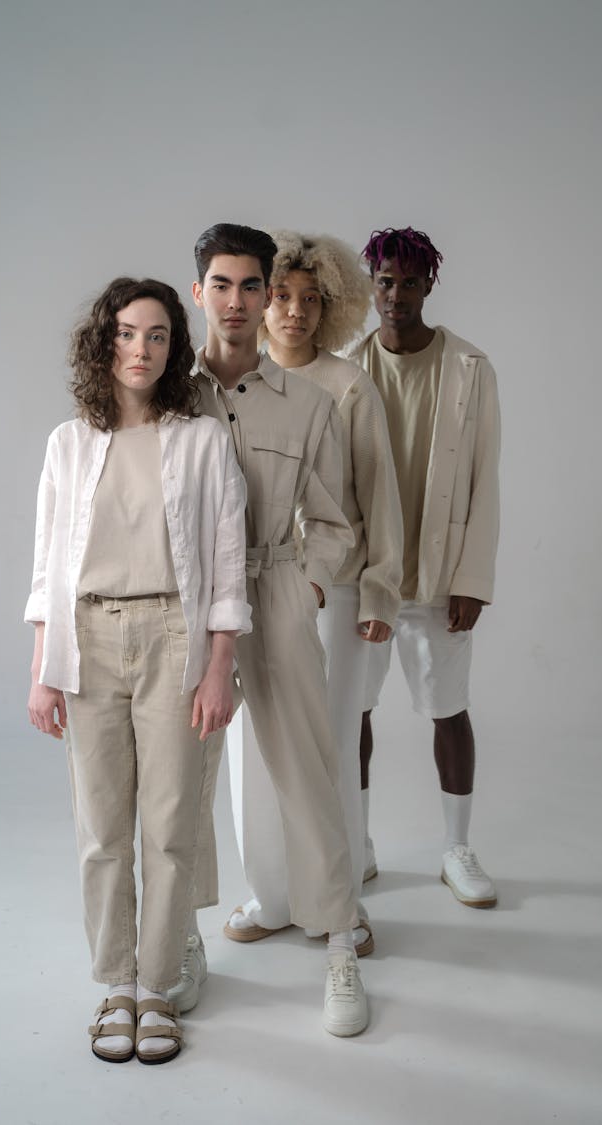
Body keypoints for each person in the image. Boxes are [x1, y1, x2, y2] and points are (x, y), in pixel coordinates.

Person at [25, 277, 252, 1064]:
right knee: (102, 830)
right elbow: (47, 566)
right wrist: (42, 668)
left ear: (173, 347)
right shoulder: (68, 442)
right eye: (128, 333)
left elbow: (227, 565)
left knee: (170, 823)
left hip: (172, 637)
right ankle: (115, 985)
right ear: (104, 340)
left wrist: (220, 663)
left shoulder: (200, 438)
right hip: (86, 638)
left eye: (157, 335)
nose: (142, 349)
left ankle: (158, 987)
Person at [170, 222, 369, 1038]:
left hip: (277, 587)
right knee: (180, 776)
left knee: (311, 771)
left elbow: (334, 519)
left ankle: (339, 943)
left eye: (253, 286)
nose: (241, 301)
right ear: (199, 292)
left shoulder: (312, 404)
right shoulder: (170, 398)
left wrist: (310, 585)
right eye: (223, 284)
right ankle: (180, 940)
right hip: (188, 600)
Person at [220, 230, 403, 955]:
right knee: (252, 749)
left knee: (323, 747)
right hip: (251, 590)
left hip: (336, 587)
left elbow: (376, 500)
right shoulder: (238, 388)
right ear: (261, 302)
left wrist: (376, 591)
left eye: (310, 300)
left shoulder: (348, 386)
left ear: (328, 308)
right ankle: (272, 894)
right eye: (283, 296)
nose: (294, 312)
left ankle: (339, 903)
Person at [348, 227, 500, 908]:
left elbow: (483, 479)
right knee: (352, 710)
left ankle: (457, 847)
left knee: (450, 711)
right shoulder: (347, 366)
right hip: (366, 579)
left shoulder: (469, 367)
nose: (396, 295)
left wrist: (473, 579)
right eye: (385, 281)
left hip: (439, 579)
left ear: (428, 284)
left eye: (410, 282)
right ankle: (358, 843)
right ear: (370, 285)